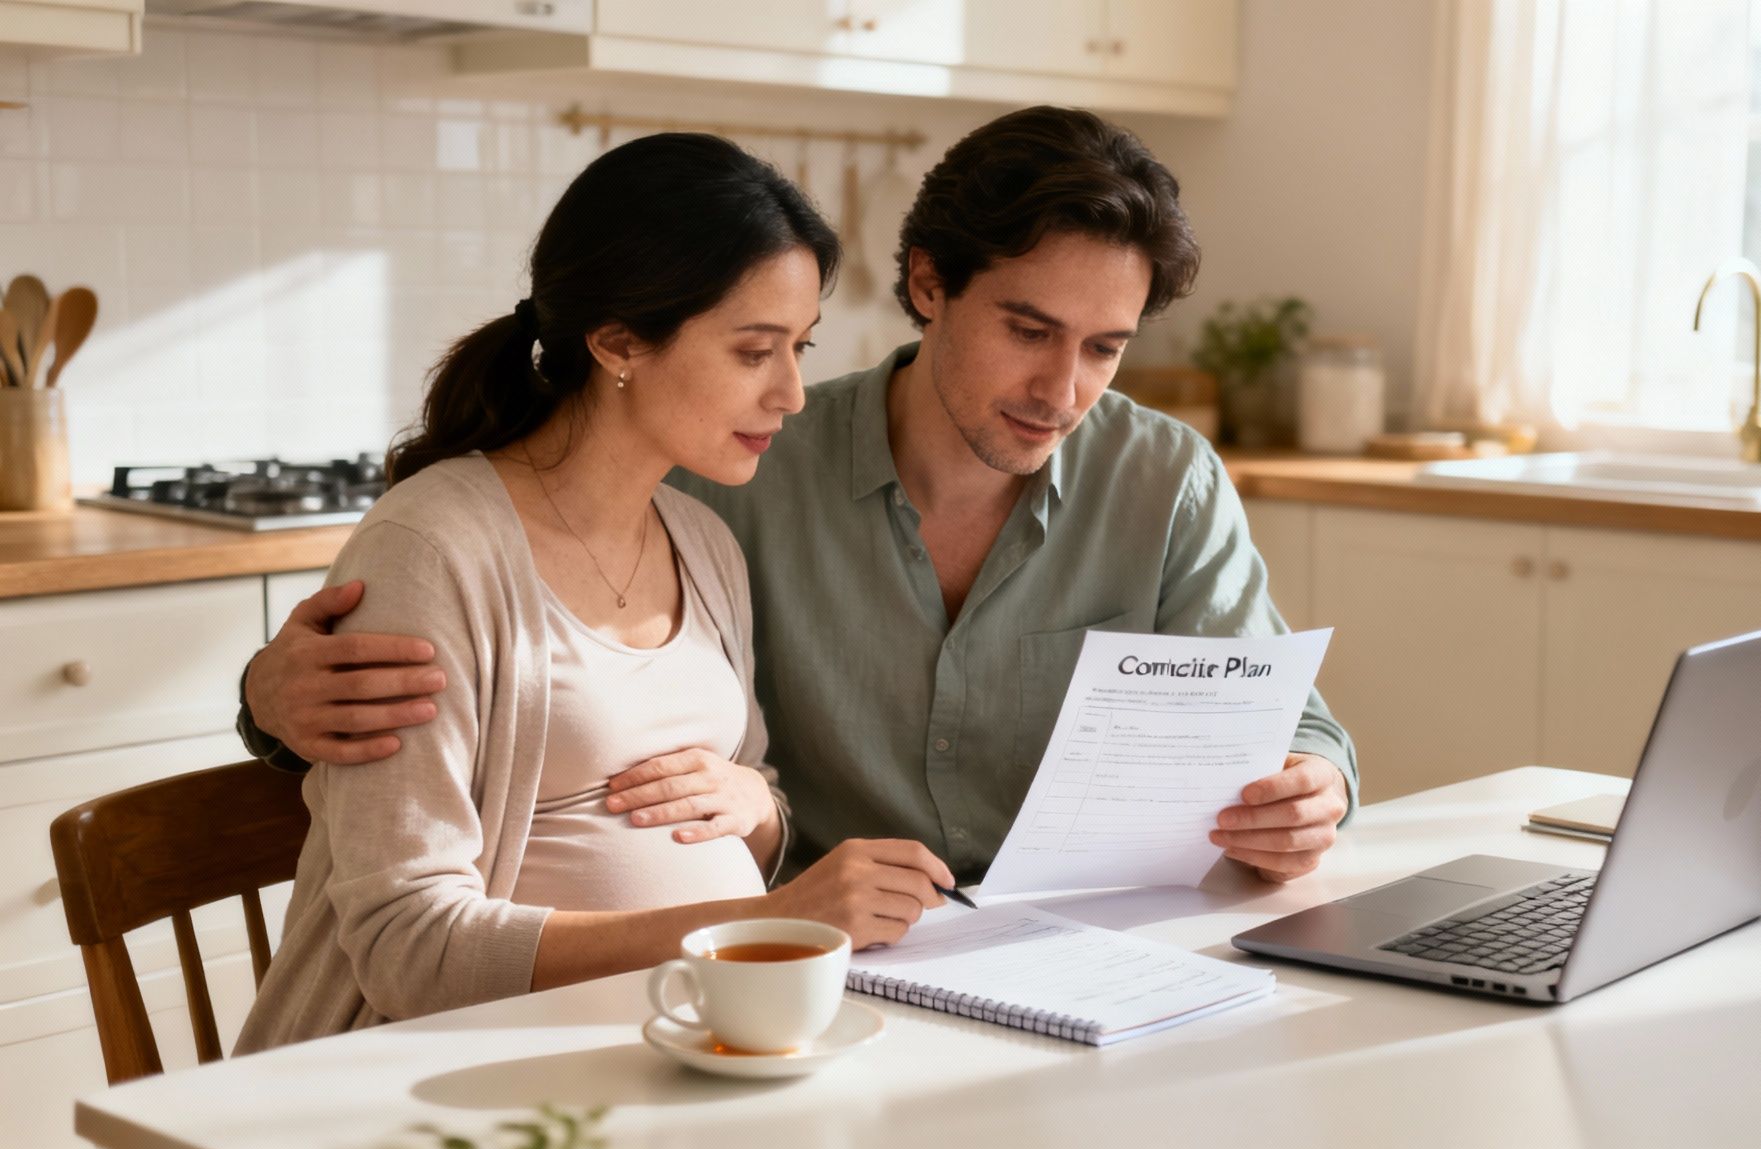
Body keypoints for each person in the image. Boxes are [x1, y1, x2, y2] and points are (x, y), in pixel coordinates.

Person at [238, 105, 1359, 891]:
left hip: (1072, 950)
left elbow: (1275, 719)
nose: (1060, 390)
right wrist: (267, 702)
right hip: (833, 963)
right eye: (1027, 331)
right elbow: (504, 672)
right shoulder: (729, 463)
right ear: (926, 283)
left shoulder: (1164, 479)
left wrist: (1313, 787)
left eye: (1103, 347)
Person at [235, 133, 953, 1055]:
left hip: (671, 1051)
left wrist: (762, 816)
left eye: (800, 348)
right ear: (618, 341)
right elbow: (404, 949)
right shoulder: (435, 550)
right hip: (440, 1071)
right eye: (753, 351)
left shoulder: (701, 542)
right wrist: (755, 926)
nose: (793, 393)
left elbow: (748, 808)